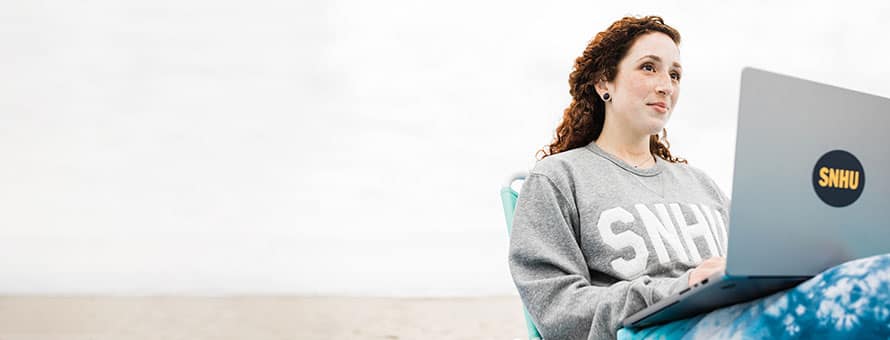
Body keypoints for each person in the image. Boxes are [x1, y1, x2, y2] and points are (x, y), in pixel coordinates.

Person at [508, 16, 729, 340]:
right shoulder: (558, 179)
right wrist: (682, 288)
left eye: (675, 74)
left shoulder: (702, 185)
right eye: (648, 67)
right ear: (603, 83)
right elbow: (559, 310)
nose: (666, 86)